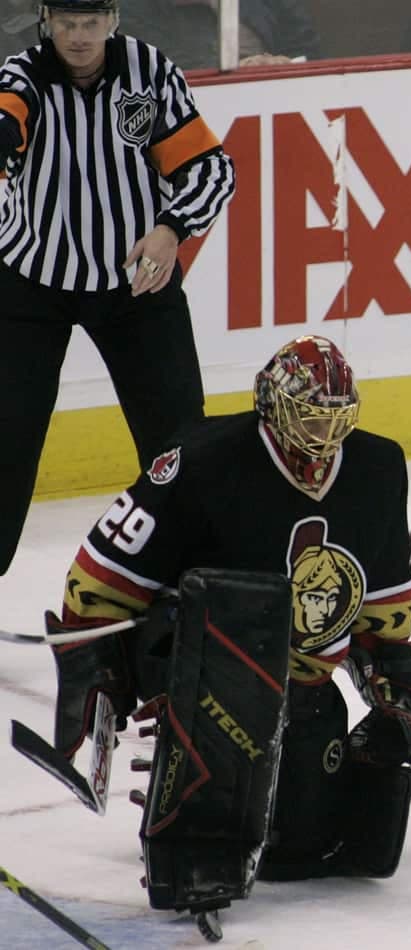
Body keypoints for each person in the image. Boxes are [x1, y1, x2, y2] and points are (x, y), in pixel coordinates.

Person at [45, 335, 411, 922]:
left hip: (301, 681)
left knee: (307, 851)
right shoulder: (203, 458)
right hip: (198, 664)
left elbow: (383, 593)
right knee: (222, 764)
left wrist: (398, 686)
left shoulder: (377, 465)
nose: (323, 437)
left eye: (335, 420)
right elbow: (102, 573)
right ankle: (185, 835)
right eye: (310, 419)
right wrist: (95, 669)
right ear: (272, 406)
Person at [0, 0, 235, 576]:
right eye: (67, 24)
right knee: (5, 441)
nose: (78, 37)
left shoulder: (149, 73)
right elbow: (6, 127)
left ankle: (192, 583)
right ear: (46, 21)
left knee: (179, 442)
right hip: (31, 282)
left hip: (136, 283)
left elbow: (210, 168)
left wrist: (172, 227)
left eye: (90, 23)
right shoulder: (20, 78)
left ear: (113, 20)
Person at [117, 0, 322, 70]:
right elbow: (155, 61)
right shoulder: (132, 5)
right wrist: (240, 70)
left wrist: (284, 65)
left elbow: (305, 47)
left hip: (280, 100)